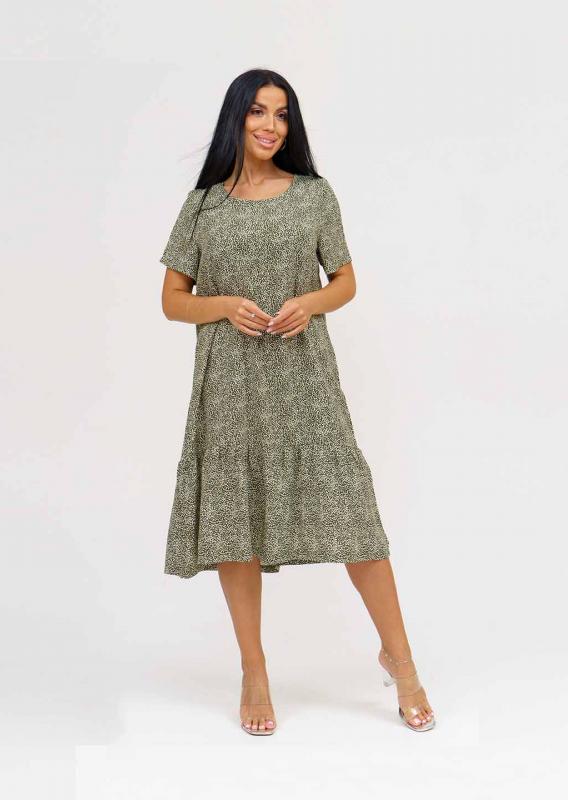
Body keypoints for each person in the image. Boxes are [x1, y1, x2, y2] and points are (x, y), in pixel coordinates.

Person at [158, 69, 435, 736]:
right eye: (258, 111)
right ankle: (254, 670)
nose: (270, 125)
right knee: (234, 524)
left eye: (282, 114)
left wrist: (310, 303)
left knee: (354, 518)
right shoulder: (203, 206)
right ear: (235, 118)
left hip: (304, 379)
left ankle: (401, 661)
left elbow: (345, 281)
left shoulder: (313, 194)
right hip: (230, 385)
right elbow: (172, 300)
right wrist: (224, 305)